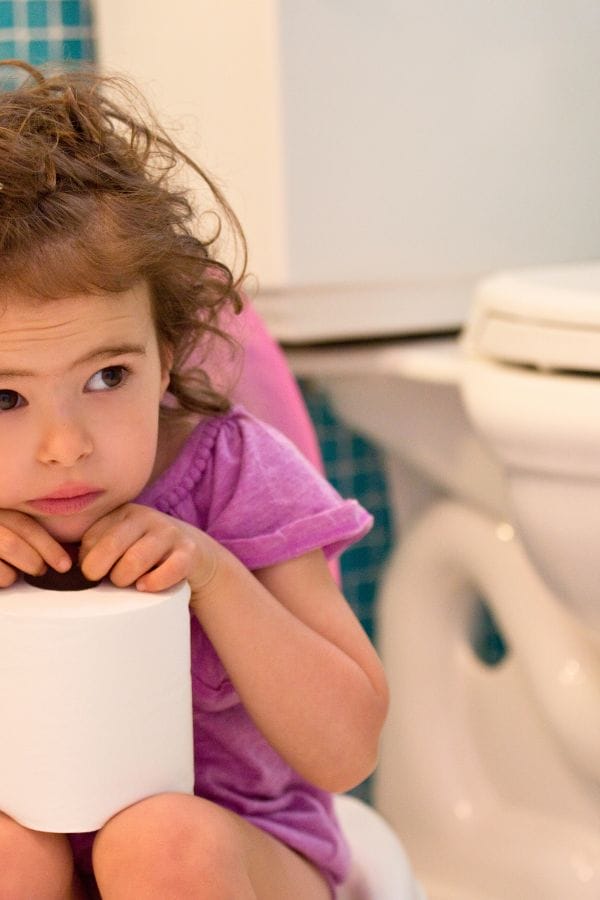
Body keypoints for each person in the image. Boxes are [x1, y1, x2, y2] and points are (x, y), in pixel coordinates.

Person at [0, 60, 389, 899]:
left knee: (161, 840)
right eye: (5, 396)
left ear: (166, 356)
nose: (63, 446)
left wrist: (213, 574)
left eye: (107, 377)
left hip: (236, 854)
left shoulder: (234, 475)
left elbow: (350, 750)